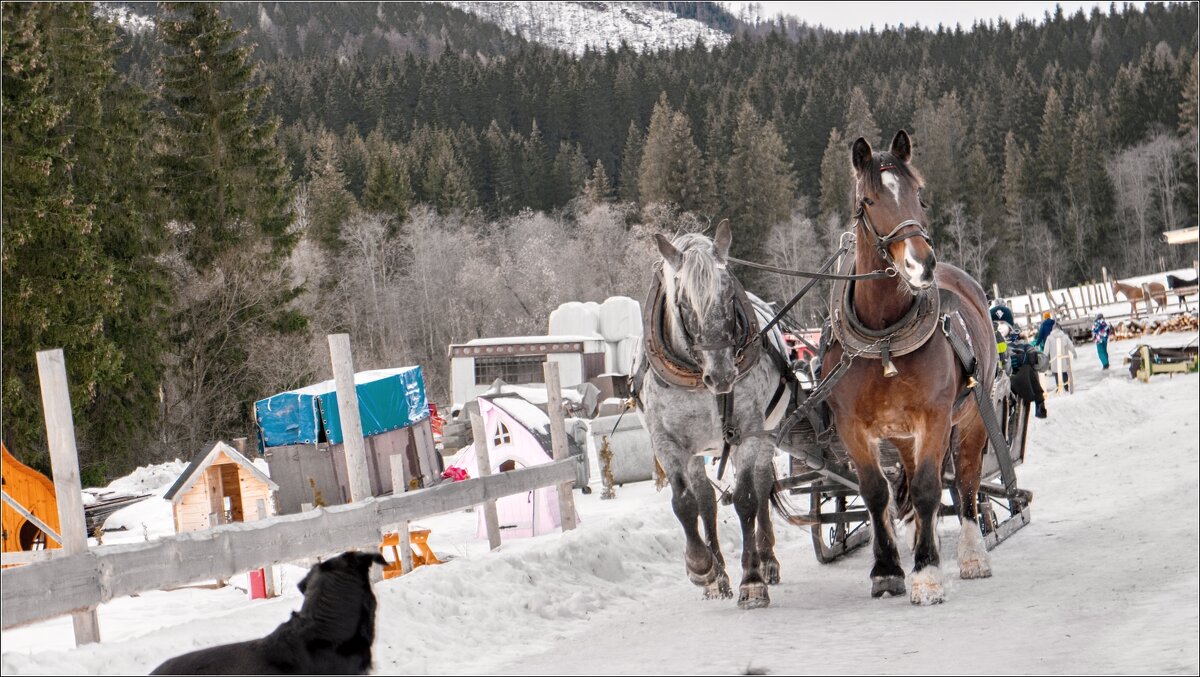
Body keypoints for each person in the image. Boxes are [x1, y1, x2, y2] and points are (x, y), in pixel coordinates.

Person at [1044, 324, 1078, 392]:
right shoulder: (1065, 336)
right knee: (1064, 372)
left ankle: (1058, 387)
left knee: (1056, 373)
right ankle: (1066, 387)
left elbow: (1046, 350)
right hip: (1064, 358)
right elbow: (1070, 345)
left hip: (1054, 359)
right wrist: (1074, 353)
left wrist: (1044, 358)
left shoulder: (1049, 338)